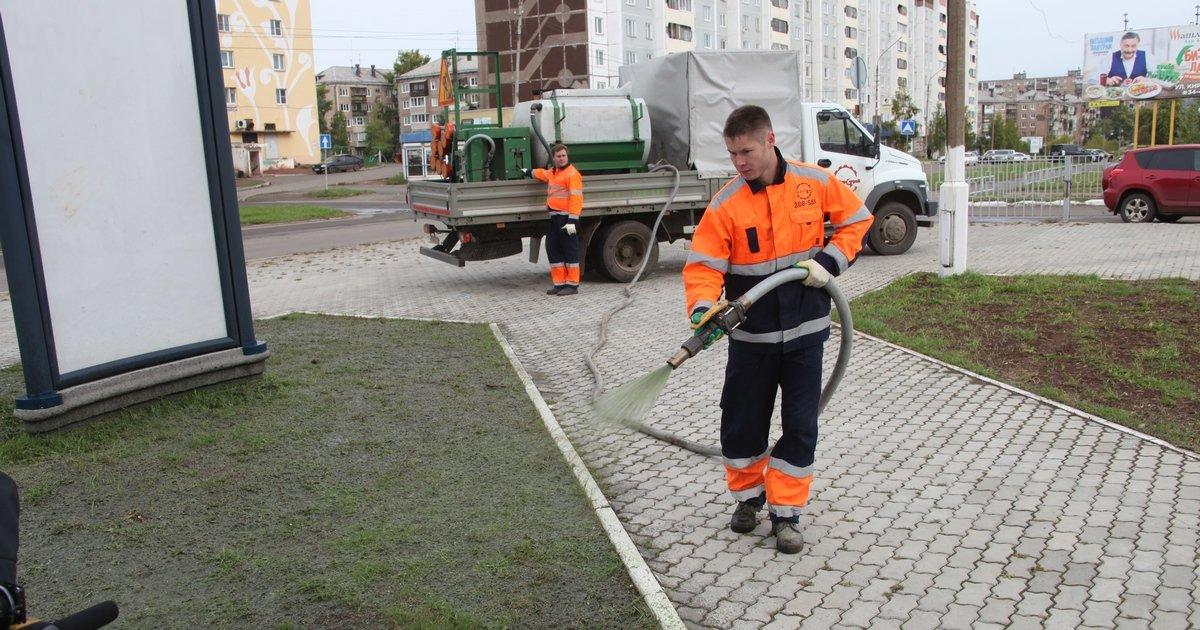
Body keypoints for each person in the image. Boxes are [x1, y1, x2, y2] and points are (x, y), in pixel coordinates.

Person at [682, 105, 873, 554]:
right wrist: (704, 307)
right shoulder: (726, 203)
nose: (739, 162)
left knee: (801, 425)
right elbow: (704, 264)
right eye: (732, 154)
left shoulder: (816, 183)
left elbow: (857, 222)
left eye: (745, 151)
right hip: (752, 340)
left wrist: (827, 263)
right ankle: (748, 500)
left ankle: (786, 513)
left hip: (807, 333)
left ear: (769, 140)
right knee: (741, 422)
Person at [529, 144, 584, 295]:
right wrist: (529, 172)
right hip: (554, 219)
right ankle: (559, 284)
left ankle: (572, 286)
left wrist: (572, 220)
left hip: (567, 219)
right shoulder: (554, 173)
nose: (561, 158)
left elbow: (576, 198)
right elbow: (542, 174)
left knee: (570, 251)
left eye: (563, 156)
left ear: (567, 157)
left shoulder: (572, 174)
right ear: (553, 158)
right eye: (558, 156)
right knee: (553, 249)